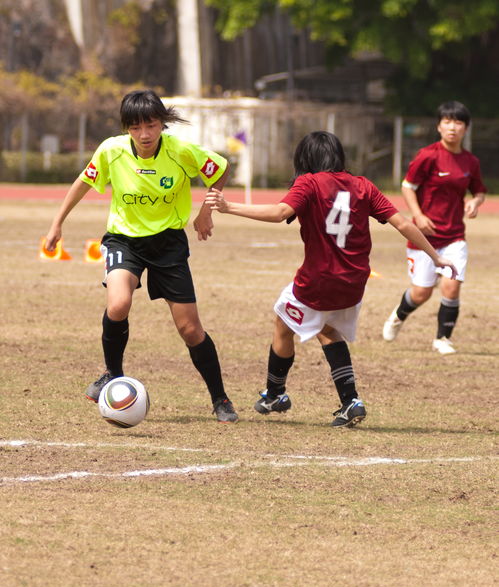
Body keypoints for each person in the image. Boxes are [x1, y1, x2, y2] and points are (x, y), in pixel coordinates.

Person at [204, 131, 457, 427]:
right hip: (354, 282)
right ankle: (347, 401)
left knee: (283, 322)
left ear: (306, 158)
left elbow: (279, 212)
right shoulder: (363, 185)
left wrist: (228, 206)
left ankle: (277, 394)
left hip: (319, 279)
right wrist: (436, 257)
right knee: (324, 329)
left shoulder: (309, 182)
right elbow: (402, 223)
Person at [45, 89, 238, 423]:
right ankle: (112, 374)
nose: (144, 134)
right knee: (117, 304)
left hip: (168, 243)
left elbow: (219, 168)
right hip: (124, 240)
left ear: (162, 123)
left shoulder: (180, 151)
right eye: (135, 128)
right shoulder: (112, 150)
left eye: (151, 125)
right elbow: (82, 182)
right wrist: (56, 223)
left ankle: (220, 398)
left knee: (190, 330)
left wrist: (207, 211)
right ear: (126, 128)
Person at [382, 101, 486, 355]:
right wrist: (417, 215)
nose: (452, 127)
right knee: (421, 294)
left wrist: (475, 201)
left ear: (466, 128)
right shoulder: (428, 155)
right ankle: (398, 315)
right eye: (447, 122)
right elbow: (408, 186)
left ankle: (442, 339)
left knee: (452, 285)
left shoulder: (470, 161)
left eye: (458, 123)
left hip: (454, 236)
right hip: (424, 236)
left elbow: (480, 190)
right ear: (439, 126)